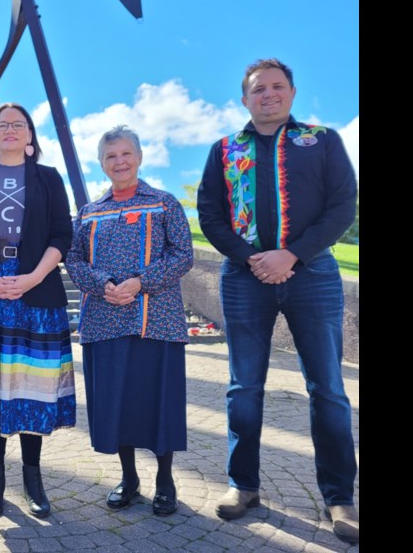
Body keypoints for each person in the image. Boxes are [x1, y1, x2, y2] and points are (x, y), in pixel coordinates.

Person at [196, 58, 359, 543]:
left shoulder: (322, 140)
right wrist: (253, 259)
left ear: (290, 92)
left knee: (328, 387)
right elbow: (210, 214)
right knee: (243, 386)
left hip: (314, 274)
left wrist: (292, 255)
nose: (267, 95)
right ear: (244, 99)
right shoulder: (225, 150)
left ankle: (340, 497)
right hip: (244, 279)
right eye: (257, 89)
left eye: (276, 87)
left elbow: (342, 204)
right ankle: (242, 485)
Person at [0, 102, 75, 518]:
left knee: (31, 385)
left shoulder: (48, 178)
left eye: (17, 125)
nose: (10, 130)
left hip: (36, 288)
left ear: (30, 135)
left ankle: (33, 478)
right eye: (2, 125)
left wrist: (33, 277)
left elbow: (63, 233)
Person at [65, 125, 193, 517]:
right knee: (116, 402)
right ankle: (129, 478)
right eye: (110, 156)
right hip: (104, 321)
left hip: (157, 321)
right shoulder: (90, 212)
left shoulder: (164, 202)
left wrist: (141, 282)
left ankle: (166, 482)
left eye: (125, 154)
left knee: (159, 401)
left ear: (138, 157)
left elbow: (183, 254)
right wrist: (102, 283)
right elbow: (74, 259)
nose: (119, 162)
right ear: (102, 164)